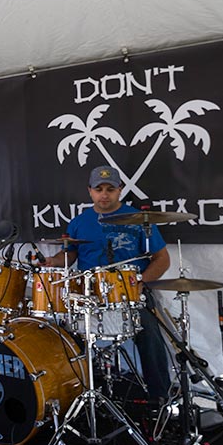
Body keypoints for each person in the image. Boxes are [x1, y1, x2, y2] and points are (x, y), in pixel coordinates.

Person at [46, 164, 172, 397]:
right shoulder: (79, 222)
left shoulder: (138, 220)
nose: (104, 194)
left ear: (120, 190)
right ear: (90, 191)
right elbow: (70, 253)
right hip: (89, 295)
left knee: (150, 334)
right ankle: (78, 392)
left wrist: (141, 282)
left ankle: (160, 397)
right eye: (99, 189)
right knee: (68, 335)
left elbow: (162, 259)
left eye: (110, 189)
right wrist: (53, 261)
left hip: (131, 295)